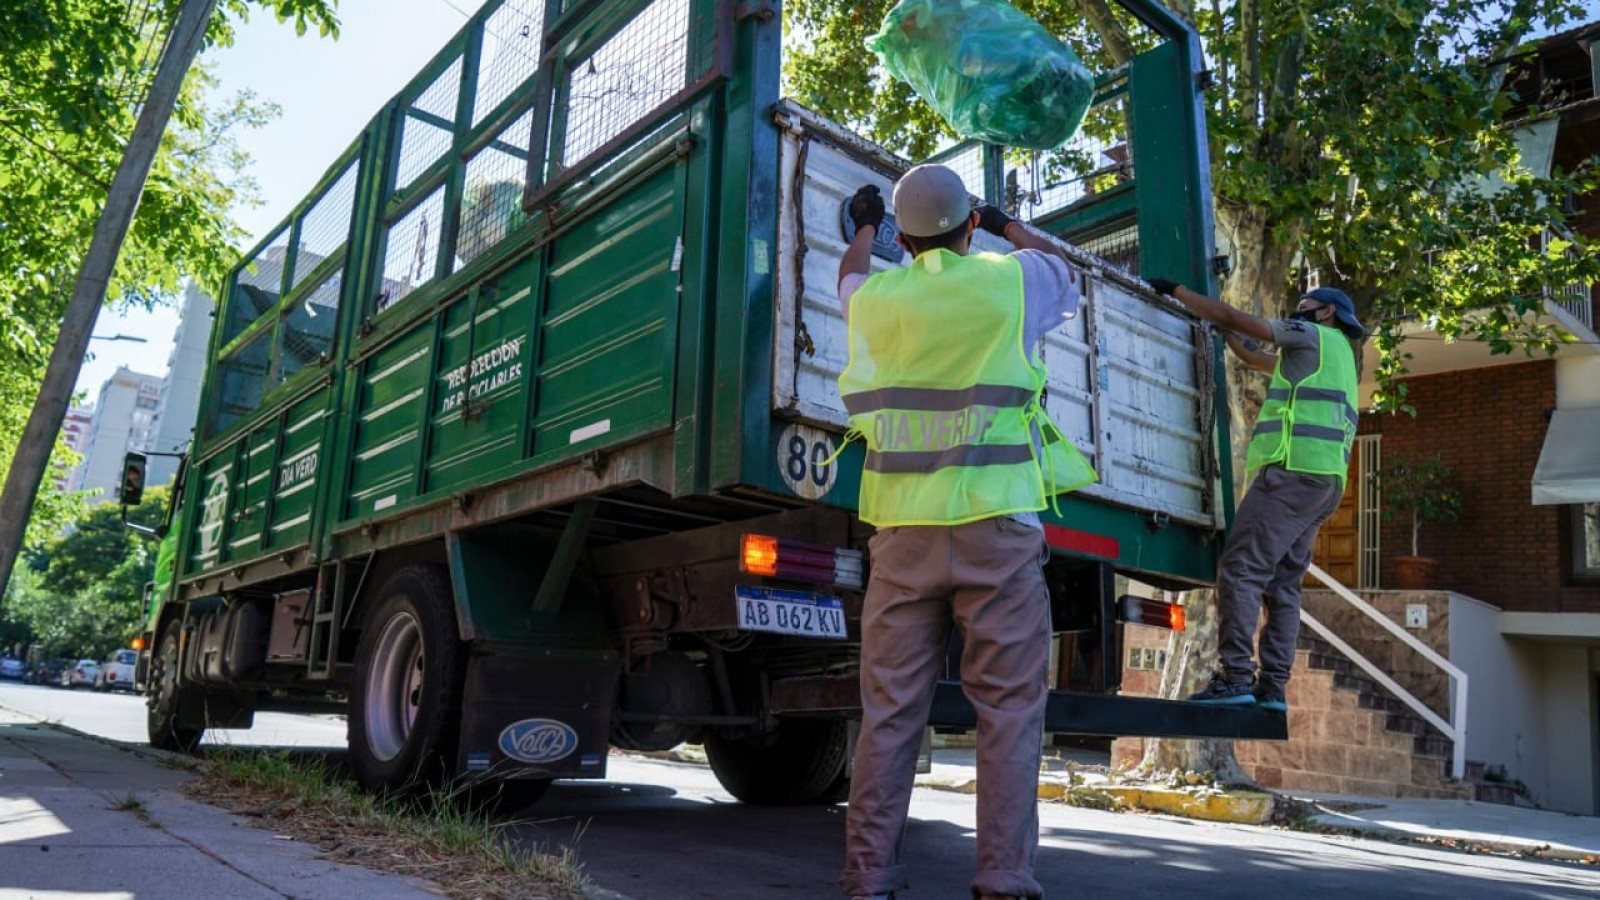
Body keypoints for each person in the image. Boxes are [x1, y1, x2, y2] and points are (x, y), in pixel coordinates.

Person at [835, 163, 1094, 900]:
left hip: (902, 535)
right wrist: (1007, 222)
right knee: (1008, 714)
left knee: (888, 715)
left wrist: (861, 226)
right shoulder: (1008, 282)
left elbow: (847, 279)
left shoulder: (878, 299)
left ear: (902, 236)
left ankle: (866, 876)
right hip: (996, 531)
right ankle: (1004, 878)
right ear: (969, 226)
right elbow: (1061, 266)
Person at [1147, 278, 1365, 711]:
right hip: (1324, 482)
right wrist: (1222, 334)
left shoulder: (1309, 334)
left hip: (1290, 473)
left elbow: (1235, 317)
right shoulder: (1340, 356)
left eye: (1305, 303)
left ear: (1326, 313)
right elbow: (1251, 354)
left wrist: (1178, 292)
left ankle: (1235, 677)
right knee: (1283, 584)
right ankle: (1272, 687)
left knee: (1241, 570)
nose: (1296, 309)